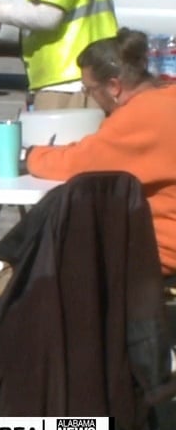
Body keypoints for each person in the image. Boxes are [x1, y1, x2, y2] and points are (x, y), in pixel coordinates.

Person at [25, 29, 176, 278]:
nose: (90, 96)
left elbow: (76, 165)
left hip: (159, 248)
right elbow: (99, 151)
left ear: (114, 86)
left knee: (61, 220)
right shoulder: (166, 99)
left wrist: (31, 155)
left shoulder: (138, 117)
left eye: (89, 89)